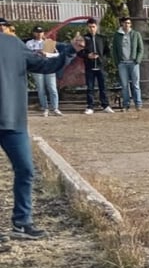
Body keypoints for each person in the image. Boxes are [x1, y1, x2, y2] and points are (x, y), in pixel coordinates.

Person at [1, 22, 85, 238]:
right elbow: (46, 65)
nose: (9, 30)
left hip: (14, 120)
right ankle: (22, 221)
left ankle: (22, 222)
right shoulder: (15, 43)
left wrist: (70, 51)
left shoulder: (14, 45)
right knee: (26, 171)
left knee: (26, 170)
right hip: (14, 119)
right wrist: (70, 51)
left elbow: (44, 65)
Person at [78, 18, 115, 114]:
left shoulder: (102, 38)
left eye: (93, 27)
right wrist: (87, 55)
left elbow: (107, 51)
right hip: (89, 67)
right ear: (87, 27)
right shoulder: (84, 38)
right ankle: (90, 106)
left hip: (100, 66)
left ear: (96, 27)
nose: (92, 29)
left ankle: (105, 105)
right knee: (90, 87)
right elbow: (79, 53)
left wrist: (102, 59)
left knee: (103, 86)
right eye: (90, 27)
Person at [25, 25, 61, 117]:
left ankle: (55, 108)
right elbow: (25, 54)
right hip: (37, 68)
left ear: (43, 33)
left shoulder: (48, 42)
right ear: (34, 33)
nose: (38, 34)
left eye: (40, 32)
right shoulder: (29, 43)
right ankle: (45, 108)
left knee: (52, 88)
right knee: (41, 89)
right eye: (37, 32)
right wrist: (35, 54)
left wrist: (47, 54)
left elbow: (57, 55)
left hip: (49, 67)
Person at [111, 15, 144, 111]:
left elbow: (140, 49)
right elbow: (114, 50)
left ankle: (138, 104)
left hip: (133, 63)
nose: (127, 25)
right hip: (122, 63)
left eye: (129, 23)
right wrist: (117, 61)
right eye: (125, 23)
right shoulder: (117, 35)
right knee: (124, 85)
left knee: (136, 84)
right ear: (122, 24)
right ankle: (126, 104)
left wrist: (137, 59)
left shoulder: (136, 34)